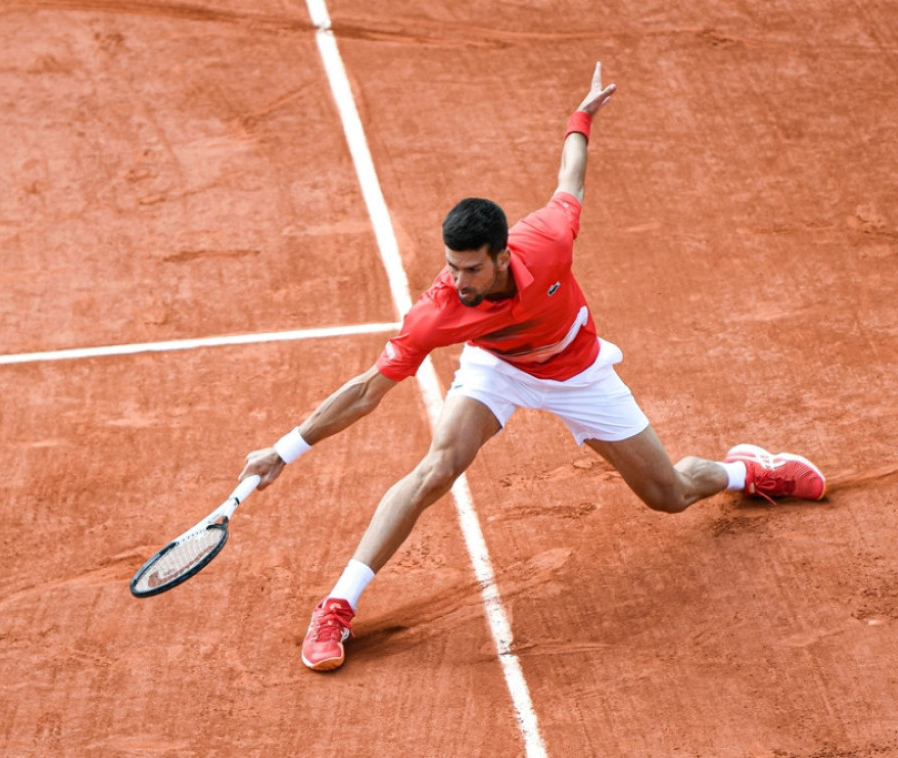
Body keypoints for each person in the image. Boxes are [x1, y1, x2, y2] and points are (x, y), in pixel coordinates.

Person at [240, 62, 826, 672]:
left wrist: (581, 118)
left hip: (579, 374)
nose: (456, 281)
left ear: (501, 255)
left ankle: (745, 472)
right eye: (450, 266)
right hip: (498, 367)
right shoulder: (438, 310)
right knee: (437, 469)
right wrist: (284, 450)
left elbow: (569, 180)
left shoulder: (547, 240)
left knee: (669, 495)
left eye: (470, 269)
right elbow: (367, 392)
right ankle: (337, 605)